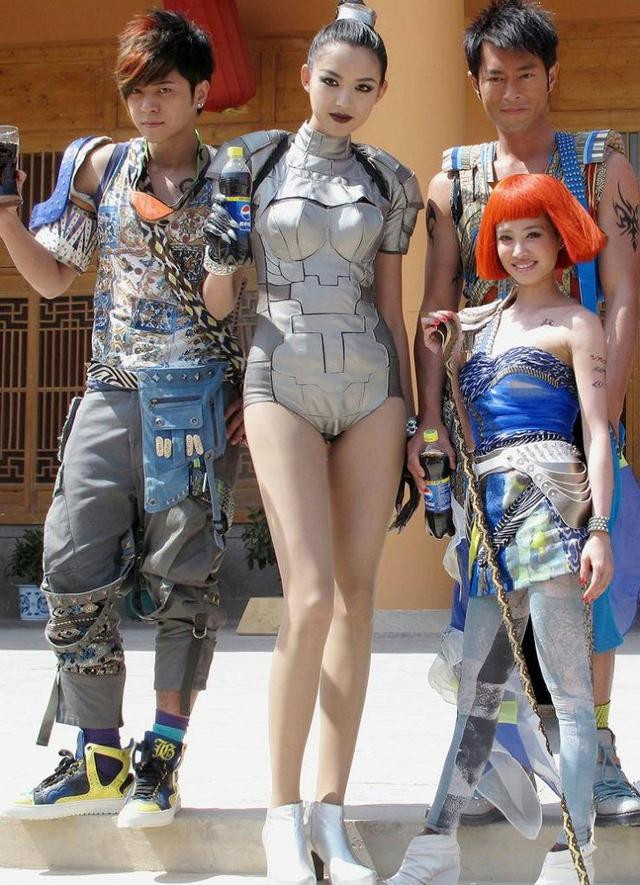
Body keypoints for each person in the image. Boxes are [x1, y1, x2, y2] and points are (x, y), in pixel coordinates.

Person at [0, 10, 245, 828]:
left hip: (196, 398)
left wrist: (251, 391)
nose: (146, 105)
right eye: (135, 90)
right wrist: (6, 215)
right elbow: (53, 279)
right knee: (71, 562)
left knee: (186, 579)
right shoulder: (98, 166)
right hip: (109, 391)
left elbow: (241, 302)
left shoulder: (234, 179)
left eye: (163, 89)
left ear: (200, 93)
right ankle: (98, 752)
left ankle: (162, 757)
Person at [202, 2, 422, 882]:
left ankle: (332, 812)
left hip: (371, 387)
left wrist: (416, 421)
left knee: (358, 600)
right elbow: (221, 302)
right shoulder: (248, 161)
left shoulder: (391, 178)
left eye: (363, 88)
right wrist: (222, 253)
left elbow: (392, 309)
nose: (344, 98)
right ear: (305, 77)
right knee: (310, 597)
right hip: (280, 375)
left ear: (379, 95)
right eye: (331, 80)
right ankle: (280, 814)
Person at [407, 0, 640, 829]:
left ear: (553, 76)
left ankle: (596, 752)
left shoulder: (600, 163)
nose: (510, 91)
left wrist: (599, 414)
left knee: (590, 589)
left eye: (526, 75)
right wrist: (430, 423)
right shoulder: (455, 180)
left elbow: (623, 292)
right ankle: (495, 763)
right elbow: (436, 306)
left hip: (576, 409)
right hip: (489, 430)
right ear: (474, 82)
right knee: (489, 595)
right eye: (494, 76)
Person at [392, 173, 612, 885]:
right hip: (488, 518)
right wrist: (444, 346)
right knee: (478, 693)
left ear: (560, 240)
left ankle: (577, 852)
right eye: (506, 236)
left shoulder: (578, 325)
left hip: (553, 508)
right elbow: (453, 412)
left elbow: (599, 432)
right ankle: (435, 846)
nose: (519, 250)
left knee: (568, 696)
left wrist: (600, 529)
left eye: (534, 234)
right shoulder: (476, 323)